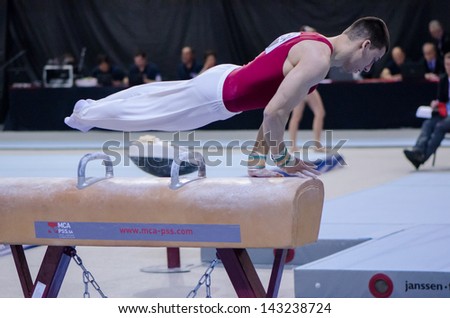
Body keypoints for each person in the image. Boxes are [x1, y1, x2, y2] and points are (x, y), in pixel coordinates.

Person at [65, 17, 389, 177]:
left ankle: (88, 112)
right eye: (372, 59)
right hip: (220, 96)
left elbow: (277, 109)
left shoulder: (311, 42)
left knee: (155, 96)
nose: (368, 67)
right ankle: (84, 115)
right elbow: (273, 112)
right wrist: (285, 161)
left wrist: (256, 162)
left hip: (227, 76)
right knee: (149, 112)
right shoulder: (318, 61)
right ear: (363, 45)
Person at [403, 52, 450, 169]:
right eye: (447, 64)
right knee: (428, 123)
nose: (448, 67)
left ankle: (422, 158)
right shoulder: (444, 79)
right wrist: (436, 103)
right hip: (444, 113)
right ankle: (417, 151)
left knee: (440, 126)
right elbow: (442, 99)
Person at [288, 25, 326, 152]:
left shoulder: (306, 48)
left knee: (297, 116)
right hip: (304, 86)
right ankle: (315, 145)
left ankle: (294, 146)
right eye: (311, 33)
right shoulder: (303, 48)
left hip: (302, 85)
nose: (314, 35)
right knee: (317, 113)